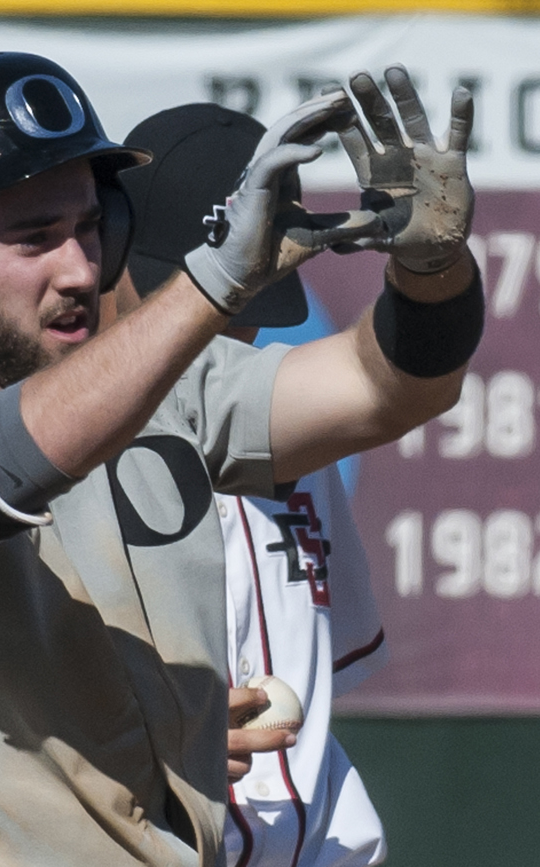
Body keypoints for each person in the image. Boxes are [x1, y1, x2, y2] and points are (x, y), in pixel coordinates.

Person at [0, 50, 481, 867]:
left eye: (90, 225)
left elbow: (385, 385)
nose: (79, 268)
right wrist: (212, 280)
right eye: (38, 238)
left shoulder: (166, 394)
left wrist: (431, 269)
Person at [117, 103, 390, 867]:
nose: (225, 324)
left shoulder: (290, 442)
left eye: (246, 298)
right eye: (199, 288)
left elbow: (316, 697)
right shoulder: (54, 453)